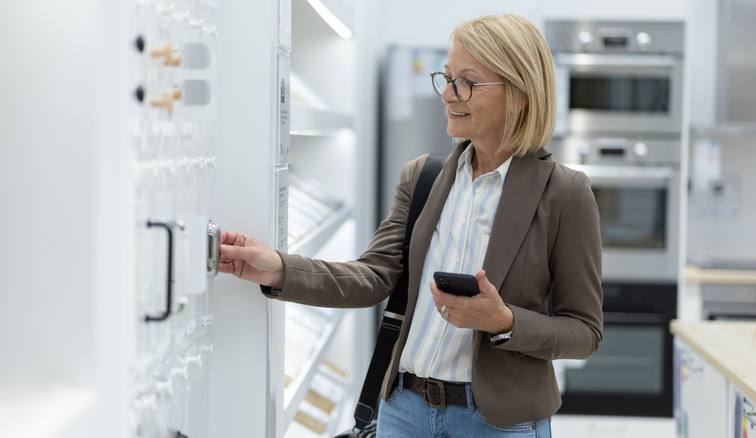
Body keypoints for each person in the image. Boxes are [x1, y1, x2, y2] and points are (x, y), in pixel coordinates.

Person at [219, 13, 603, 438]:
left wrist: (504, 321)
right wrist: (277, 267)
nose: (448, 95)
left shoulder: (565, 194)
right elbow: (372, 276)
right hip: (404, 411)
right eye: (447, 77)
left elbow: (584, 331)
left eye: (467, 82)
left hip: (498, 425)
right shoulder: (423, 178)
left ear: (520, 94)